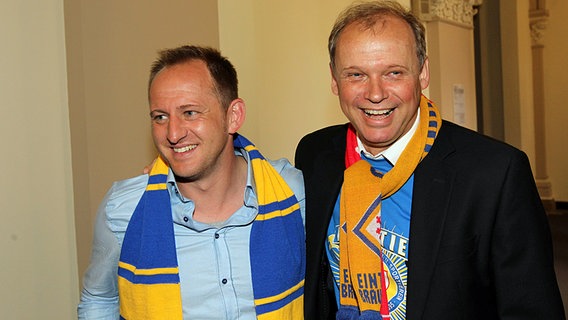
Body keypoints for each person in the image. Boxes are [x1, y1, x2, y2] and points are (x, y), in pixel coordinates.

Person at [295, 1, 565, 319]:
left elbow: (532, 309)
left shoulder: (495, 174)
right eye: (356, 75)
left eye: (394, 72)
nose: (375, 93)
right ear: (334, 79)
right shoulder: (315, 155)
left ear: (422, 72)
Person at [78, 45, 306, 319]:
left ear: (233, 116)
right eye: (160, 117)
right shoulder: (123, 210)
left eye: (190, 113)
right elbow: (99, 299)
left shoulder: (292, 191)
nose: (173, 134)